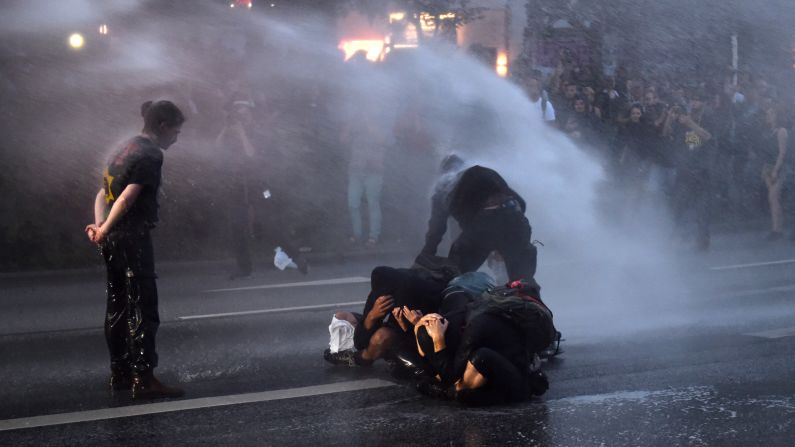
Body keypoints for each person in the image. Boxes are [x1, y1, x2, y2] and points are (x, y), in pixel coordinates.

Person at [85, 100, 185, 399]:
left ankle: (120, 373)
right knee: (142, 307)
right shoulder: (151, 154)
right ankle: (144, 377)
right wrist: (104, 227)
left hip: (114, 239)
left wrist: (100, 226)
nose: (177, 138)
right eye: (176, 131)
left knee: (117, 307)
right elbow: (127, 197)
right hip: (132, 238)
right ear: (163, 126)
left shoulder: (124, 147)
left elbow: (103, 192)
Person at [418, 161, 539, 286]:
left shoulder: (444, 190)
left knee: (454, 280)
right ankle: (518, 296)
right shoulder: (484, 177)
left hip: (486, 227)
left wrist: (426, 255)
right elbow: (521, 203)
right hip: (515, 218)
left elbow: (436, 230)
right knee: (524, 284)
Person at [760, 104, 790, 240]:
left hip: (777, 167)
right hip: (768, 166)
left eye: (771, 114)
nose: (768, 116)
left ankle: (777, 229)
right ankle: (777, 227)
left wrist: (776, 170)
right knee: (773, 199)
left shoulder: (781, 131)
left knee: (773, 197)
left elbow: (782, 153)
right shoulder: (768, 131)